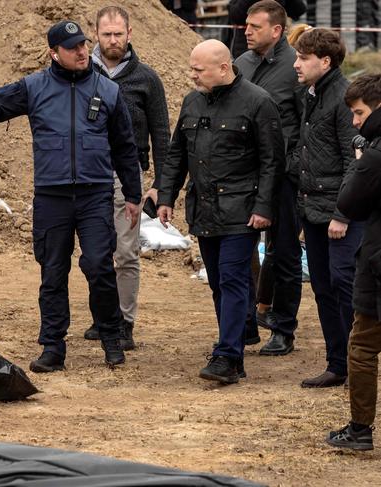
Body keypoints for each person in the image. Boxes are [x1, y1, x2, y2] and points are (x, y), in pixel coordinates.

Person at [0, 20, 142, 372]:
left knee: (99, 265)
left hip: (94, 193)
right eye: (73, 48)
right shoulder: (34, 87)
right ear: (54, 53)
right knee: (52, 271)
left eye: (84, 45)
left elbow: (125, 148)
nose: (83, 51)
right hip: (52, 197)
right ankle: (53, 347)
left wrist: (133, 195)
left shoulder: (108, 91)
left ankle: (112, 338)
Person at [154, 39, 284, 384]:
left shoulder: (258, 102)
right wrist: (166, 196)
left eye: (199, 70)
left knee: (231, 279)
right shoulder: (192, 101)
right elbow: (177, 152)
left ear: (223, 68)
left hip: (242, 210)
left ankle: (227, 354)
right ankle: (235, 352)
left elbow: (273, 162)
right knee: (219, 283)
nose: (192, 75)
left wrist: (264, 207)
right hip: (205, 209)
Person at [84, 6, 170, 349]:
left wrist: (162, 184)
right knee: (94, 251)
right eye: (107, 34)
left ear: (129, 34)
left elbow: (162, 134)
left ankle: (124, 322)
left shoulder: (146, 79)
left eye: (119, 34)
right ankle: (103, 317)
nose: (113, 40)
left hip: (127, 174)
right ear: (96, 34)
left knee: (126, 251)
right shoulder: (79, 73)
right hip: (87, 173)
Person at [293, 28, 363, 388]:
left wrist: (342, 213)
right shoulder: (312, 94)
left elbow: (355, 161)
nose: (296, 64)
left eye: (303, 58)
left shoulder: (342, 97)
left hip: (340, 215)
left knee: (343, 284)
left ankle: (357, 362)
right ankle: (338, 364)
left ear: (325, 60)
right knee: (322, 286)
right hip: (314, 209)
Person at [235, 0, 303, 356]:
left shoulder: (296, 68)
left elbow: (306, 124)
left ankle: (283, 328)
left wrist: (291, 166)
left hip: (283, 177)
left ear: (276, 30)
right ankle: (246, 324)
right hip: (244, 175)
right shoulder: (241, 64)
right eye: (246, 25)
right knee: (241, 250)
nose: (246, 31)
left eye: (255, 27)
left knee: (285, 253)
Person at [326, 74, 381, 451]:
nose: (355, 122)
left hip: (377, 267)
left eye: (359, 113)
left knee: (361, 348)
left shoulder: (374, 155)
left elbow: (349, 201)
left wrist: (361, 160)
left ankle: (360, 430)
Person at [224, 0, 307, 58]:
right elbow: (235, 15)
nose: (247, 32)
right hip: (244, 48)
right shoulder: (243, 60)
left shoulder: (290, 58)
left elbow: (299, 10)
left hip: (276, 48)